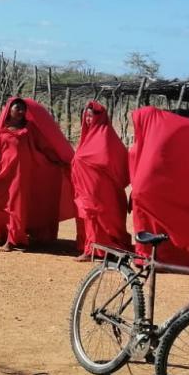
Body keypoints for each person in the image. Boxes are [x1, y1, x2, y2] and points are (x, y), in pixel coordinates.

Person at [128, 107, 189, 266]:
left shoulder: (159, 141)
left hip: (153, 196)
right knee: (148, 226)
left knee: (162, 228)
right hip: (145, 197)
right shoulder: (147, 140)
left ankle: (161, 257)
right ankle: (146, 255)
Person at [0, 98, 75, 253]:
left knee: (16, 206)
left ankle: (13, 239)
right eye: (17, 108)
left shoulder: (30, 128)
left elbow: (43, 146)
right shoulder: (1, 127)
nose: (20, 112)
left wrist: (57, 159)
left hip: (21, 173)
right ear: (9, 110)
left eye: (23, 109)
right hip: (2, 171)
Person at [71, 101, 130, 261]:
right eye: (86, 116)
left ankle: (94, 250)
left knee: (96, 216)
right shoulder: (87, 136)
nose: (88, 120)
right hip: (86, 186)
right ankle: (90, 247)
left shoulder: (106, 136)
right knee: (89, 216)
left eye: (91, 116)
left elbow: (115, 160)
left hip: (100, 188)